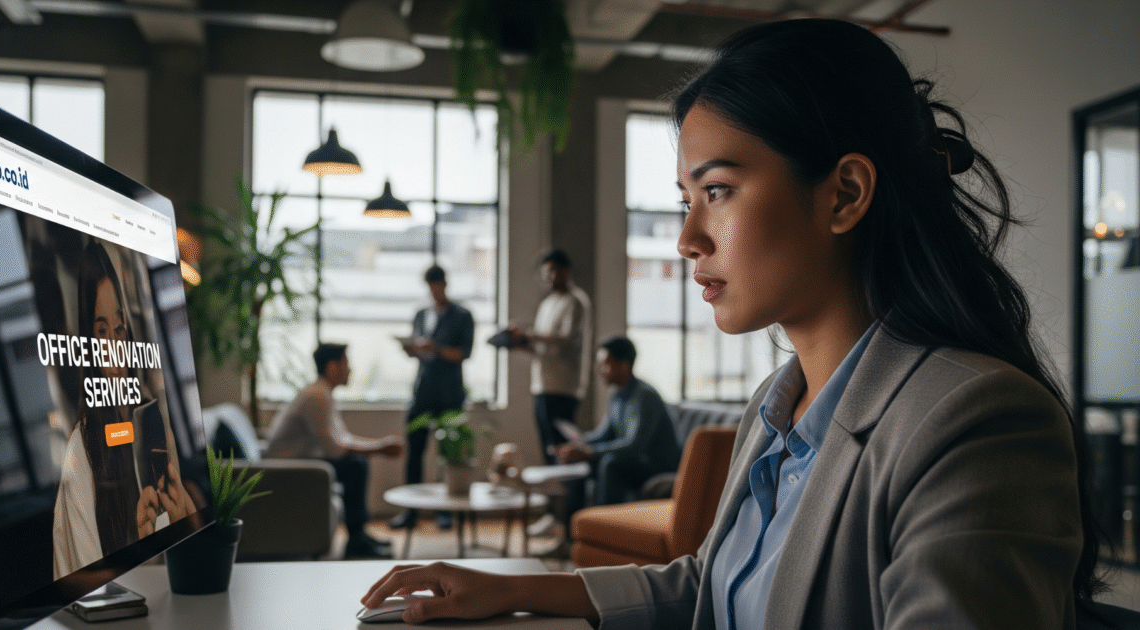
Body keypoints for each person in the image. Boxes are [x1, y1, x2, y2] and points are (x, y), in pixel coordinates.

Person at [361, 18, 1102, 629]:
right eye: (686, 199)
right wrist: (516, 587)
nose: (688, 239)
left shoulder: (976, 421)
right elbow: (716, 586)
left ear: (845, 193)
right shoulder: (778, 406)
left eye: (717, 190)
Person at [53, 240, 196, 579]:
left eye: (119, 328)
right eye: (102, 332)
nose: (115, 347)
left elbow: (189, 538)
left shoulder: (148, 422)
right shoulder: (81, 450)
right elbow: (91, 586)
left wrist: (180, 521)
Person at [265, 343, 405, 559]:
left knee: (357, 463)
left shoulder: (322, 393)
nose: (350, 370)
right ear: (332, 367)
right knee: (355, 466)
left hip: (302, 463)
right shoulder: (316, 397)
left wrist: (379, 446)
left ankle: (359, 536)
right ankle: (356, 540)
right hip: (287, 469)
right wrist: (380, 448)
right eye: (346, 364)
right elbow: (336, 449)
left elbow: (342, 440)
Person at [508, 248, 593, 536]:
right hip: (542, 386)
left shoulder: (576, 302)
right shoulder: (547, 304)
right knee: (548, 454)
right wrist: (521, 343)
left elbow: (566, 342)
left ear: (567, 271)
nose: (551, 277)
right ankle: (552, 514)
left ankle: (568, 524)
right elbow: (543, 350)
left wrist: (530, 334)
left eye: (556, 270)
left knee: (564, 457)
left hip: (564, 388)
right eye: (547, 273)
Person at [389, 265, 475, 531]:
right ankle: (411, 512)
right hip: (423, 391)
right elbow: (418, 350)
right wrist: (412, 350)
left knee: (447, 455)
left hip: (450, 393)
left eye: (437, 285)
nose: (434, 291)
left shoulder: (463, 316)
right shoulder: (421, 313)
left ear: (445, 284)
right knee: (414, 452)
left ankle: (444, 512)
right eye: (430, 286)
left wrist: (435, 348)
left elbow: (463, 353)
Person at [556, 336, 681, 516]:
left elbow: (634, 446)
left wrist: (589, 452)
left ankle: (605, 526)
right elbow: (604, 434)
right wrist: (578, 445)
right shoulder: (616, 395)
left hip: (656, 464)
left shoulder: (645, 397)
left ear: (624, 365)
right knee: (581, 462)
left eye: (605, 364)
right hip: (635, 460)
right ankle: (572, 531)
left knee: (611, 464)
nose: (600, 370)